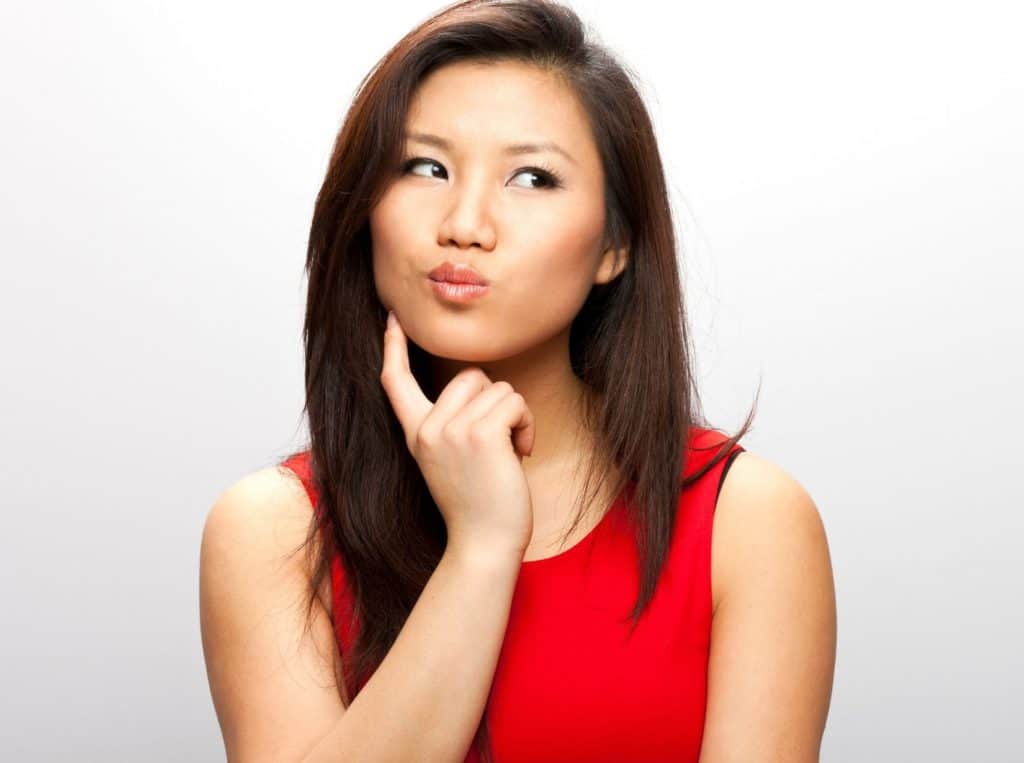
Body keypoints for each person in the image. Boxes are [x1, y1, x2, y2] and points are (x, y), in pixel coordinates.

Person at [199, 1, 837, 761]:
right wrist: (480, 548)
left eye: (532, 177)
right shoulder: (274, 531)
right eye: (424, 166)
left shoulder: (745, 521)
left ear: (615, 244)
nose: (465, 222)